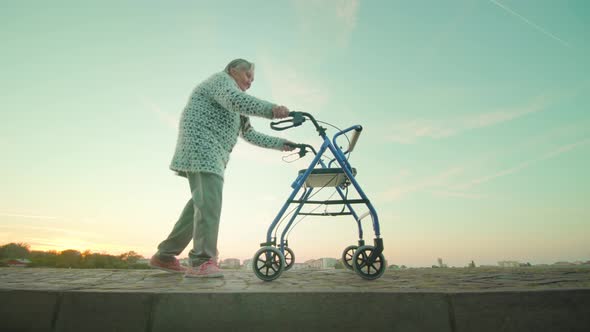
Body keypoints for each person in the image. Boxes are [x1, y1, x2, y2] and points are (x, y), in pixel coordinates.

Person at [149, 58, 295, 278]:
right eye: (248, 76)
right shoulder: (221, 82)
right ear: (233, 70)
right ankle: (201, 261)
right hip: (201, 147)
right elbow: (234, 99)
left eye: (253, 79)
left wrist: (281, 144)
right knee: (209, 204)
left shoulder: (236, 103)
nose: (250, 82)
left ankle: (165, 255)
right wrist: (272, 109)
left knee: (200, 205)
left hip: (212, 154)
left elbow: (249, 134)